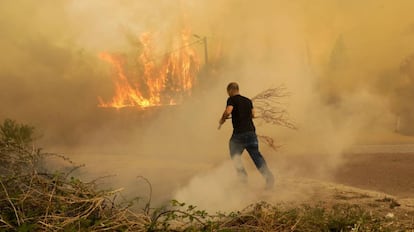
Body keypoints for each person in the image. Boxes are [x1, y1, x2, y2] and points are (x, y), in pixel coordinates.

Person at [219, 82, 274, 189]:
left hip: (239, 135)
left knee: (235, 155)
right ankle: (269, 178)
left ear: (230, 90)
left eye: (228, 92)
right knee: (257, 158)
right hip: (251, 134)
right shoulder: (248, 101)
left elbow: (228, 111)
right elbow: (253, 114)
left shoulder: (231, 99)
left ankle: (243, 179)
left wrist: (222, 119)